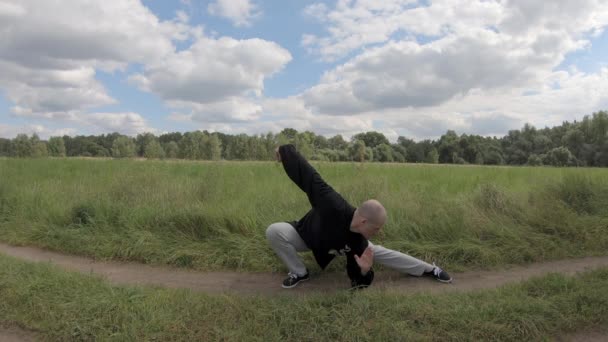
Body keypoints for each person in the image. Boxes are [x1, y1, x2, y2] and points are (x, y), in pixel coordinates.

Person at [266, 144, 451, 289]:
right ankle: (299, 273)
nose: (378, 232)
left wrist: (364, 271)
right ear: (364, 221)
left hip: (341, 245)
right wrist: (285, 152)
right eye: (376, 228)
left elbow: (357, 283)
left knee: (379, 252)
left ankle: (429, 269)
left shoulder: (359, 241)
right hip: (308, 236)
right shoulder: (333, 204)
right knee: (274, 231)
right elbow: (310, 177)